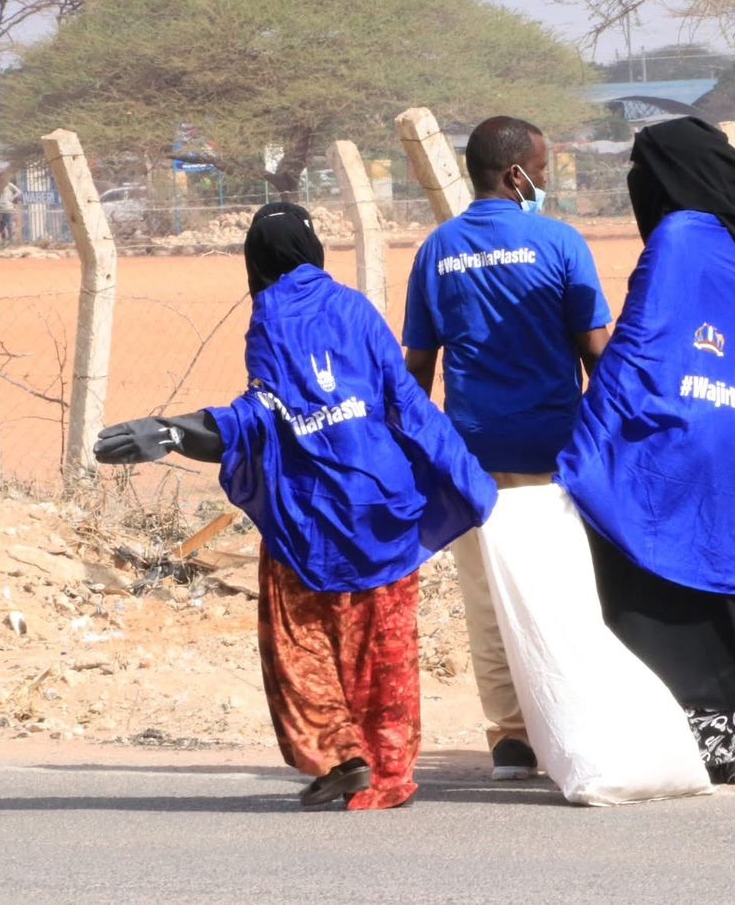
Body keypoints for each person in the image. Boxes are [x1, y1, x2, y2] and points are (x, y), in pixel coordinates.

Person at [95, 203, 498, 810]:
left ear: (256, 260)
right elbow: (406, 402)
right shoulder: (355, 306)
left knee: (300, 637)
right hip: (385, 504)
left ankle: (341, 755)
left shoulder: (272, 317)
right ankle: (388, 771)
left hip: (316, 511)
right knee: (385, 644)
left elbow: (267, 412)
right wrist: (468, 480)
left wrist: (181, 431)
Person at [557, 117, 735, 786]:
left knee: (645, 543)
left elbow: (643, 345)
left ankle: (694, 737)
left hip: (689, 439)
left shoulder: (677, 239)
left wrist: (593, 436)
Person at [401, 116, 612, 781]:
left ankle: (511, 740)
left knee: (488, 599)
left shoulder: (437, 251)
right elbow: (595, 352)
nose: (546, 181)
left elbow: (417, 370)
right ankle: (570, 721)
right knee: (569, 588)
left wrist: (420, 452)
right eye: (543, 170)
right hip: (557, 451)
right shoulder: (560, 242)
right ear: (518, 173)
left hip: (473, 457)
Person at [0, 181, 20, 246]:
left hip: (8, 208)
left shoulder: (9, 184)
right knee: (1, 226)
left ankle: (11, 242)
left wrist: (11, 198)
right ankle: (4, 240)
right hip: (0, 208)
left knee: (9, 225)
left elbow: (18, 191)